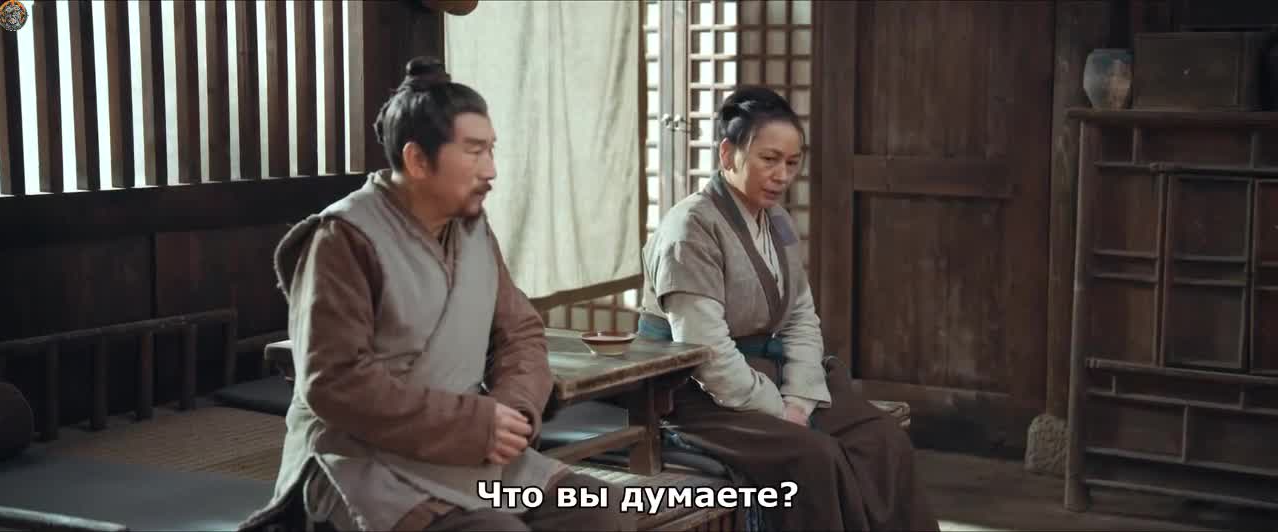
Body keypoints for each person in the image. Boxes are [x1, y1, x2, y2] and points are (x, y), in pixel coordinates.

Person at [239, 57, 634, 532]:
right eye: (474, 152)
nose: (491, 170)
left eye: (491, 150)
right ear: (418, 160)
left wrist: (513, 411)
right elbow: (334, 380)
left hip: (468, 450)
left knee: (600, 509)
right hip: (364, 461)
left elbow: (521, 333)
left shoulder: (471, 229)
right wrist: (472, 425)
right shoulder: (344, 238)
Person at [636, 86, 939, 532]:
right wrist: (777, 411)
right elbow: (706, 350)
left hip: (771, 378)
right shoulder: (690, 229)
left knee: (882, 440)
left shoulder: (776, 220)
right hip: (695, 393)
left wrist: (798, 398)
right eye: (769, 159)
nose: (782, 175)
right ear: (728, 154)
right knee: (813, 458)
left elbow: (800, 317)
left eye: (792, 163)